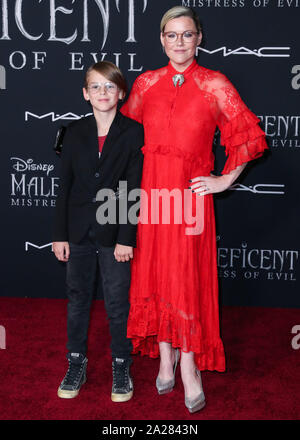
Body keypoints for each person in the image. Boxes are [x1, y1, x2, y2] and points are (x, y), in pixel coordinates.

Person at [121, 6, 268, 413]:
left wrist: (224, 179)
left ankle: (189, 365)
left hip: (188, 198)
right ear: (161, 39)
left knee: (184, 278)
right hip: (150, 198)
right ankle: (164, 357)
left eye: (187, 34)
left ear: (199, 38)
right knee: (153, 274)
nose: (179, 42)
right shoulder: (146, 83)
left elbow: (247, 136)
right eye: (171, 35)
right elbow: (123, 136)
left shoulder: (215, 83)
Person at [52, 61, 144, 402]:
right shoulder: (73, 132)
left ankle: (121, 364)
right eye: (95, 86)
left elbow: (133, 190)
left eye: (109, 86)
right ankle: (76, 362)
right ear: (85, 93)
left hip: (114, 234)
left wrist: (125, 237)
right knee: (77, 300)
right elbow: (65, 187)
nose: (103, 93)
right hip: (76, 232)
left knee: (118, 303)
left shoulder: (134, 132)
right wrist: (59, 234)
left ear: (120, 92)